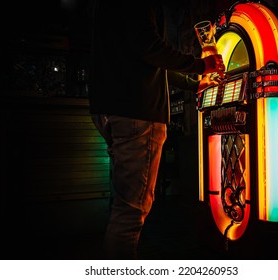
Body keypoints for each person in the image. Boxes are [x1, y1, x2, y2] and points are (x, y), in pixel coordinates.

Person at [88, 0, 225, 259]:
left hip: (110, 109)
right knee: (131, 210)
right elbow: (148, 47)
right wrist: (201, 65)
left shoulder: (106, 8)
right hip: (136, 112)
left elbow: (144, 58)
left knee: (124, 202)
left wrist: (193, 82)